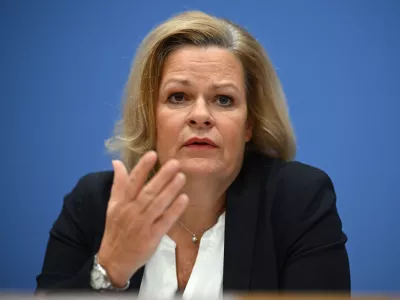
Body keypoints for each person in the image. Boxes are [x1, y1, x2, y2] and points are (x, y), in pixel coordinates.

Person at [36, 10, 350, 298]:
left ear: (248, 125)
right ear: (150, 116)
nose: (200, 115)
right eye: (178, 96)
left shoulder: (297, 202)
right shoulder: (95, 204)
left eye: (224, 100)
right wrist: (110, 268)